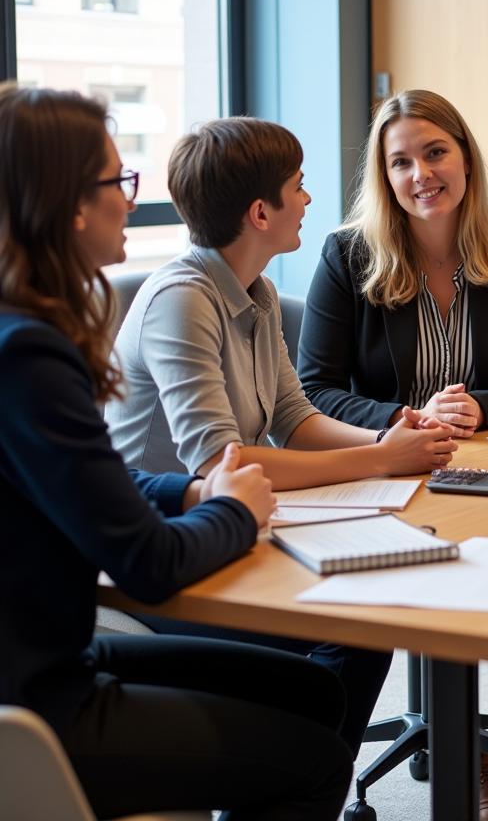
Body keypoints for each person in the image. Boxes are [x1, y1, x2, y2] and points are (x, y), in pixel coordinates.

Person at [0, 83, 352, 819]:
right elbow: (149, 565)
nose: (131, 199)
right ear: (66, 203)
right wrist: (229, 507)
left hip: (57, 654)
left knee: (319, 693)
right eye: (116, 181)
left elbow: (95, 481)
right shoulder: (27, 355)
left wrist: (188, 496)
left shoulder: (27, 336)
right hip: (36, 696)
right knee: (316, 759)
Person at [105, 116, 456, 754]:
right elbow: (222, 464)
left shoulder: (257, 290)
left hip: (230, 532)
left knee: (370, 609)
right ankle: (296, 766)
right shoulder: (182, 301)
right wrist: (378, 461)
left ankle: (304, 770)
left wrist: (393, 440)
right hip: (158, 557)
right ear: (261, 212)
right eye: (299, 185)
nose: (309, 199)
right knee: (350, 623)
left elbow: (294, 418)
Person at [297, 89, 488, 821]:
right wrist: (400, 419)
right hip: (385, 470)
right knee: (367, 616)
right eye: (400, 162)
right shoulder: (347, 253)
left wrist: (483, 406)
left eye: (434, 152)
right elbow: (314, 387)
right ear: (383, 178)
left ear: (464, 156)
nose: (421, 172)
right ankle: (318, 786)